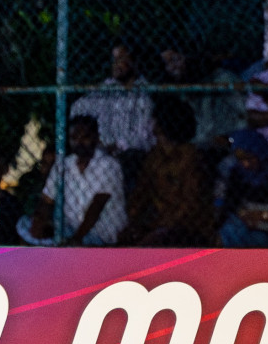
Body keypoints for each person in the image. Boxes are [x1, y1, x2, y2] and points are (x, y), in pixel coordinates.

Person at [120, 96, 214, 246]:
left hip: (188, 228)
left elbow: (189, 207)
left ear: (162, 124)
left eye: (154, 120)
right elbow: (141, 192)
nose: (151, 124)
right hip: (159, 222)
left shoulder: (192, 159)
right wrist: (134, 220)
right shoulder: (154, 156)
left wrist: (156, 227)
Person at [21, 114, 126, 246]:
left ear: (96, 138)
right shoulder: (64, 165)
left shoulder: (108, 164)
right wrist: (38, 221)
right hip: (71, 230)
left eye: (85, 137)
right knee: (25, 225)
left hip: (103, 234)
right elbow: (46, 200)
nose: (79, 142)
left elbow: (97, 205)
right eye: (74, 138)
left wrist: (77, 239)